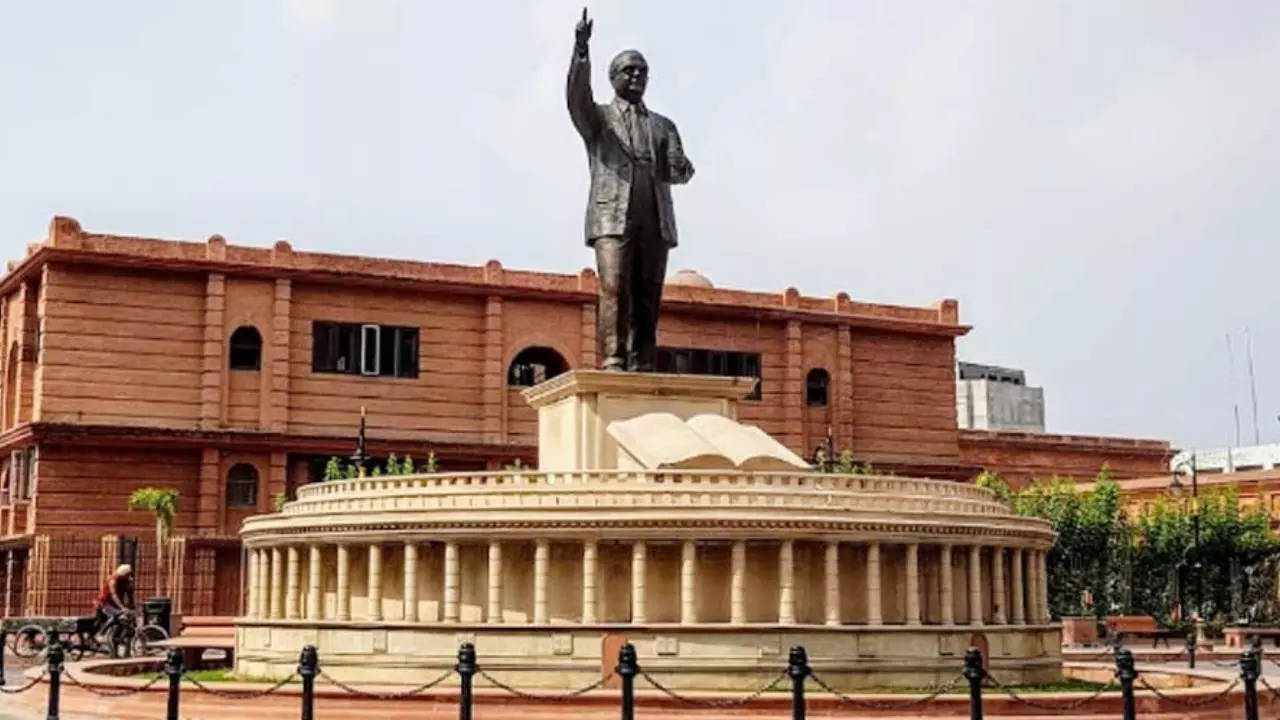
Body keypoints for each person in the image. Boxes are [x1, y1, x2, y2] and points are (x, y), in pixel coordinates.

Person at [567, 8, 695, 372]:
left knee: (648, 293)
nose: (637, 76)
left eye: (643, 71)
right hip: (612, 214)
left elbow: (678, 168)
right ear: (613, 78)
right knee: (614, 287)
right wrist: (580, 52)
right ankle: (613, 358)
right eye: (629, 70)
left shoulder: (663, 126)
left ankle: (644, 360)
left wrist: (682, 168)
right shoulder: (599, 119)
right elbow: (576, 98)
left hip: (654, 217)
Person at [94, 564, 135, 638]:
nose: (129, 577)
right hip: (104, 603)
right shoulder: (113, 580)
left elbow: (130, 596)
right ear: (123, 574)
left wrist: (132, 606)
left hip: (114, 604)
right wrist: (122, 607)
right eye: (127, 575)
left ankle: (115, 636)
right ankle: (101, 634)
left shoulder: (126, 581)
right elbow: (114, 595)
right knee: (116, 616)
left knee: (126, 618)